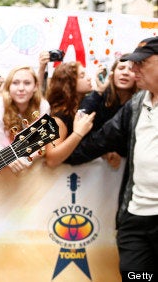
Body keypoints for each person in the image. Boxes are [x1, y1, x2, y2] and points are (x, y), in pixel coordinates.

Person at [66, 36, 158, 273]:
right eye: (130, 63)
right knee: (136, 276)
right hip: (135, 217)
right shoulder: (137, 104)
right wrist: (59, 151)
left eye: (141, 62)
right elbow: (100, 140)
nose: (134, 69)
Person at [80, 56, 138, 169]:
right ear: (112, 74)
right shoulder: (99, 98)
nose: (125, 73)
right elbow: (81, 126)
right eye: (121, 68)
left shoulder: (140, 104)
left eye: (131, 69)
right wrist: (98, 91)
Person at [0, 66, 50, 172]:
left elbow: (43, 142)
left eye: (27, 83)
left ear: (35, 86)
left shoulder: (43, 106)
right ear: (8, 86)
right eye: (15, 83)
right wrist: (6, 159)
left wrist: (26, 158)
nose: (21, 88)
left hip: (30, 167)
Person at [43, 61, 95, 167]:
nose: (89, 78)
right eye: (82, 76)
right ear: (69, 83)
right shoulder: (59, 116)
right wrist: (78, 134)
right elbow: (51, 160)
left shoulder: (81, 107)